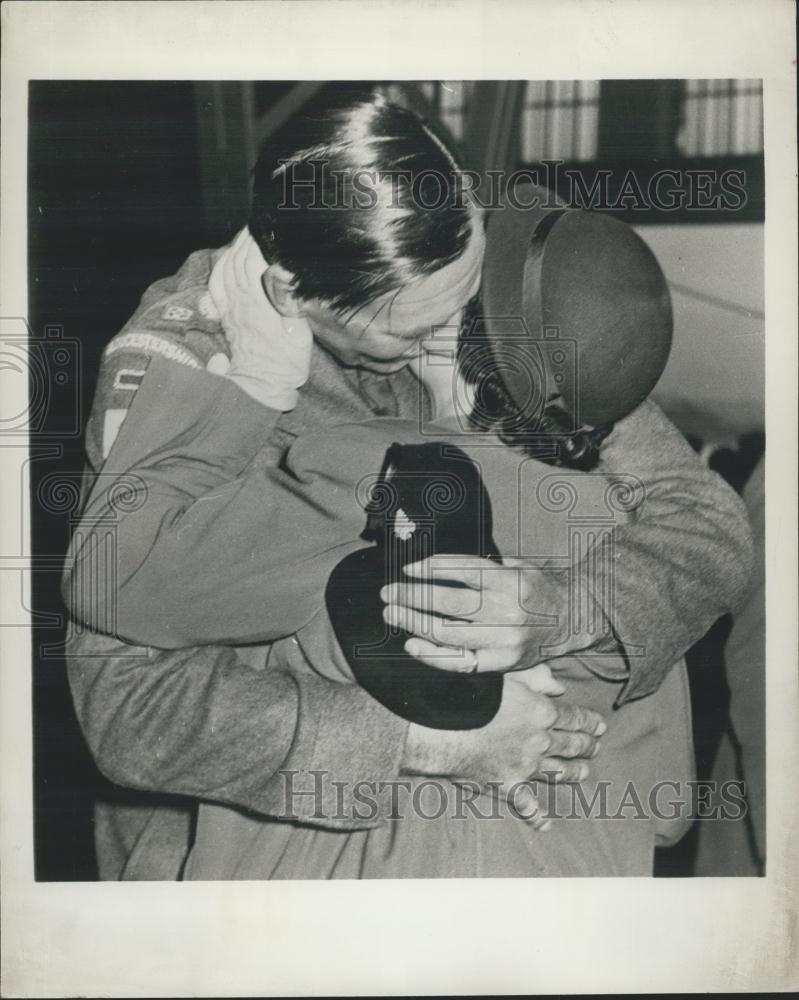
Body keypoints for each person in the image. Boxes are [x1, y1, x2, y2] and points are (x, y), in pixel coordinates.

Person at [62, 88, 752, 879]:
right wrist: (427, 743)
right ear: (291, 294)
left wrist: (566, 609)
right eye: (413, 330)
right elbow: (129, 712)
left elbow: (704, 524)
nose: (458, 340)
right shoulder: (181, 362)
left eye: (468, 299)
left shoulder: (461, 266)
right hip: (261, 866)